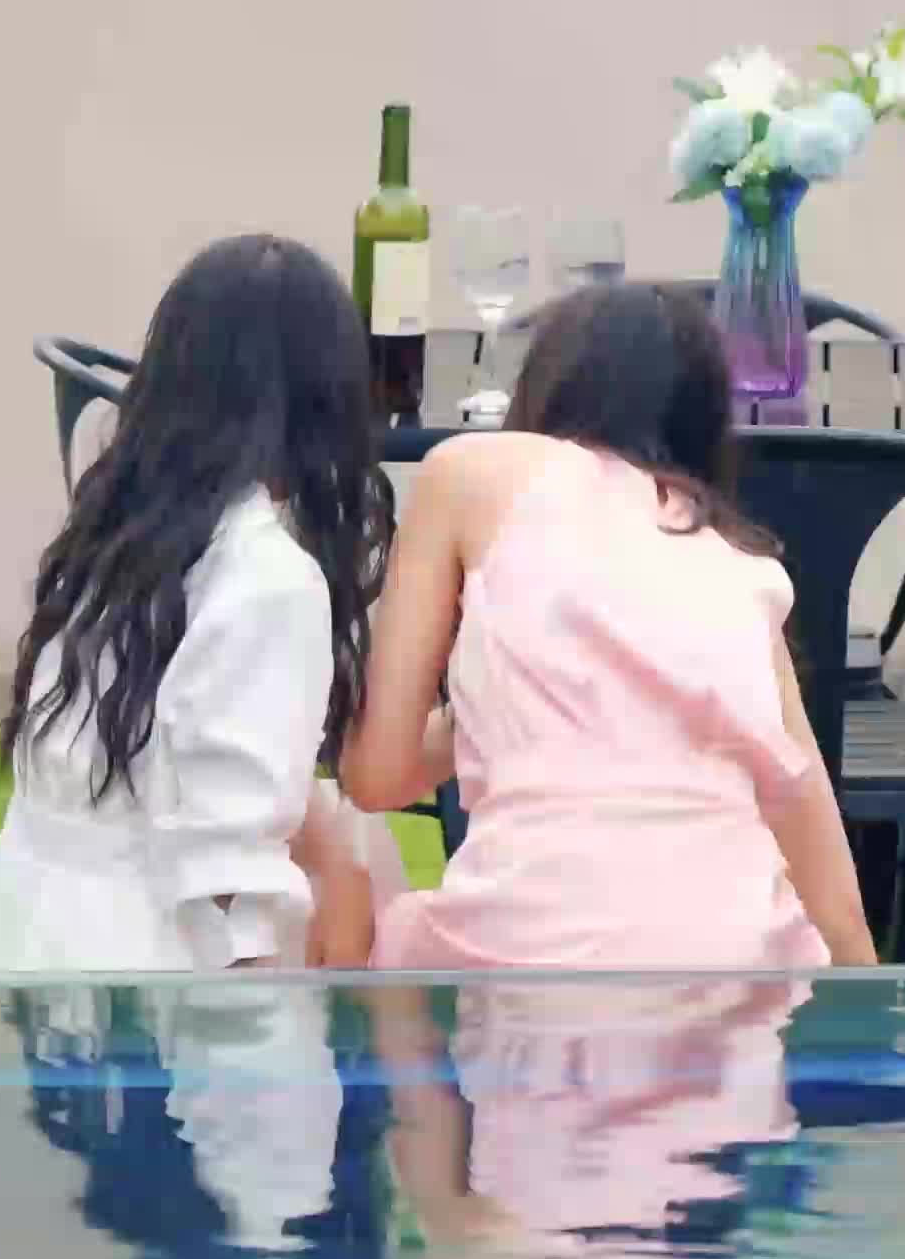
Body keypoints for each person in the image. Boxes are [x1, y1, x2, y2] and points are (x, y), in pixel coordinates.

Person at [338, 281, 877, 975]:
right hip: (729, 973)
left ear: (545, 387)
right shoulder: (745, 578)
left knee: (337, 857)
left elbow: (374, 776)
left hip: (524, 964)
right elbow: (835, 900)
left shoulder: (470, 471)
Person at [0, 234, 406, 980]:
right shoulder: (270, 578)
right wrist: (267, 1042)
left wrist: (336, 864)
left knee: (361, 847)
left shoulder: (120, 534)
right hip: (144, 982)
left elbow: (194, 755)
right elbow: (228, 874)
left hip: (11, 932)